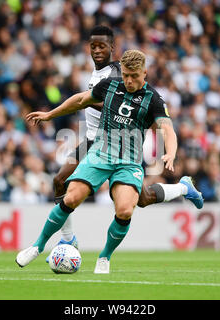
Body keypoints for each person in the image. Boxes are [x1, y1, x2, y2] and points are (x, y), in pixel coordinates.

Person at [16, 49, 204, 273]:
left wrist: (170, 152)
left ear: (145, 73)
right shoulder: (110, 85)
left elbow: (167, 129)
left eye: (134, 76)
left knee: (125, 210)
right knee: (72, 196)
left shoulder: (153, 98)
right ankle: (37, 246)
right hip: (100, 154)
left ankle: (104, 257)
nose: (129, 80)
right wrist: (50, 115)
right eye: (125, 75)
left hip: (128, 162)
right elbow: (81, 100)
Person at [50, 26, 204, 254]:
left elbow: (117, 106)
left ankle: (183, 188)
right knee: (61, 180)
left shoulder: (117, 75)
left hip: (117, 143)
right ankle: (68, 239)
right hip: (93, 139)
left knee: (139, 199)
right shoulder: (97, 73)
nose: (97, 50)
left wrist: (85, 102)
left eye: (102, 46)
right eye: (93, 46)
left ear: (112, 48)